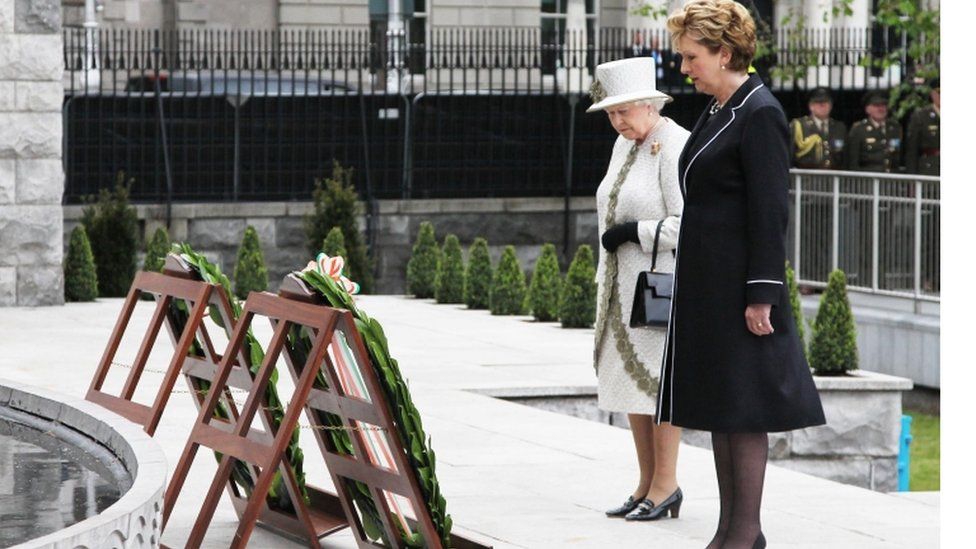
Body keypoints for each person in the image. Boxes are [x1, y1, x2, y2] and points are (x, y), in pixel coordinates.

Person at [658, 2, 826, 548]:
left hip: (738, 289)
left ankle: (745, 533)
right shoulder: (718, 108)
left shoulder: (761, 112)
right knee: (723, 409)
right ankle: (731, 531)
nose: (684, 68)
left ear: (724, 53)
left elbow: (770, 212)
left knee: (744, 408)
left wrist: (762, 295)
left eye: (691, 57)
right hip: (708, 285)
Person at [586, 56, 691, 522]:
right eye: (610, 113)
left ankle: (666, 485)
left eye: (624, 111)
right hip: (616, 284)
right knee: (629, 386)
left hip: (658, 285)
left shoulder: (675, 145)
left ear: (649, 105)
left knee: (658, 386)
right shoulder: (623, 145)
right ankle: (645, 484)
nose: (617, 121)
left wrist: (635, 232)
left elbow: (689, 224)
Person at [790, 87, 847, 169]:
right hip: (806, 177)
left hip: (833, 177)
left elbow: (845, 158)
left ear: (831, 106)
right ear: (811, 106)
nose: (822, 105)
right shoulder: (799, 126)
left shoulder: (839, 127)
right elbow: (790, 154)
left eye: (826, 102)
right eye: (818, 103)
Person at [846, 90, 902, 172]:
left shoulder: (894, 128)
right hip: (868, 179)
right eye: (876, 106)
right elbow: (853, 161)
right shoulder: (859, 129)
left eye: (883, 105)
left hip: (890, 179)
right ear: (867, 109)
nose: (880, 109)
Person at [905, 77, 940, 175]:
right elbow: (912, 150)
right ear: (933, 94)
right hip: (930, 170)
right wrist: (911, 179)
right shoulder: (921, 116)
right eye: (939, 93)